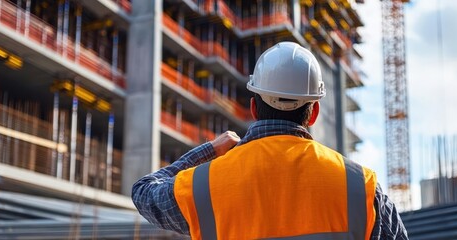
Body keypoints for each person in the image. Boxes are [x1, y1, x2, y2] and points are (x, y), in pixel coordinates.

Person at [132, 42, 408, 239]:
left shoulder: (204, 186)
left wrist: (210, 150)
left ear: (253, 108)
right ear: (314, 113)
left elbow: (144, 191)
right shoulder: (360, 186)